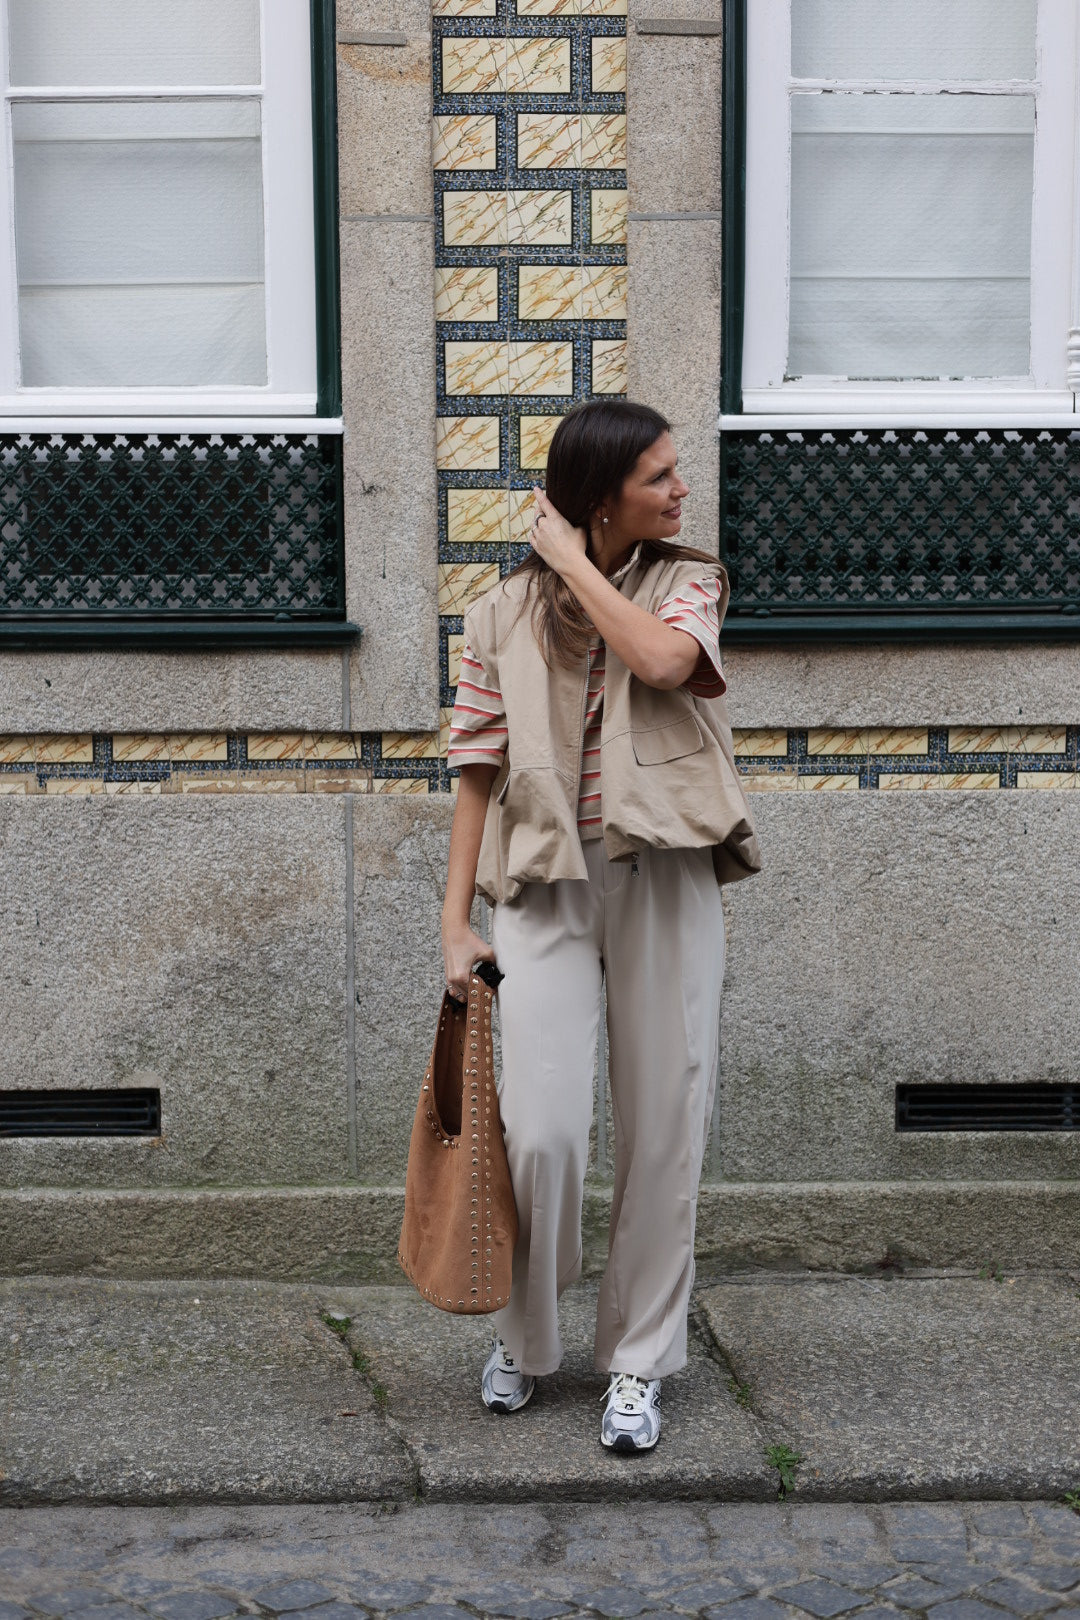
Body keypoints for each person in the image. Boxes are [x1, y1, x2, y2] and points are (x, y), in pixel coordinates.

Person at [440, 398, 760, 1453]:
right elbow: (474, 770)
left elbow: (664, 664)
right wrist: (454, 923)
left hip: (663, 874)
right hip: (543, 886)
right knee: (541, 1131)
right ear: (601, 495)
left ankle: (638, 1361)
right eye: (659, 476)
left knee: (666, 1125)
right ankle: (525, 1339)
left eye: (676, 470)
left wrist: (573, 562)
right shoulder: (497, 614)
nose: (681, 488)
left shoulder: (691, 581)